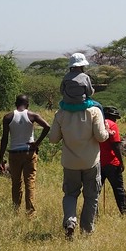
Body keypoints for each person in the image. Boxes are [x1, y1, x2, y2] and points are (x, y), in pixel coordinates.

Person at [47, 99, 109, 239]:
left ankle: (70, 222)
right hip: (91, 162)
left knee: (70, 194)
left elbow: (53, 139)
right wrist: (106, 131)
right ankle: (86, 230)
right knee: (91, 196)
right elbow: (101, 137)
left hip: (70, 163)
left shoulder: (61, 113)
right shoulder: (94, 111)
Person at [0, 94, 50, 217]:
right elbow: (47, 126)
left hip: (14, 154)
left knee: (16, 183)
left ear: (16, 104)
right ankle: (30, 213)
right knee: (29, 182)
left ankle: (15, 210)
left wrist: (0, 158)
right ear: (27, 104)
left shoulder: (8, 117)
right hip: (29, 152)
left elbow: (4, 138)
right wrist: (37, 143)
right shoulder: (33, 116)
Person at [99, 106, 126, 215]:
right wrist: (121, 162)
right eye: (114, 117)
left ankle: (92, 214)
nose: (115, 120)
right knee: (119, 189)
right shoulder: (112, 125)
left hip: (97, 162)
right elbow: (116, 145)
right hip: (111, 162)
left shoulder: (97, 124)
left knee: (95, 191)